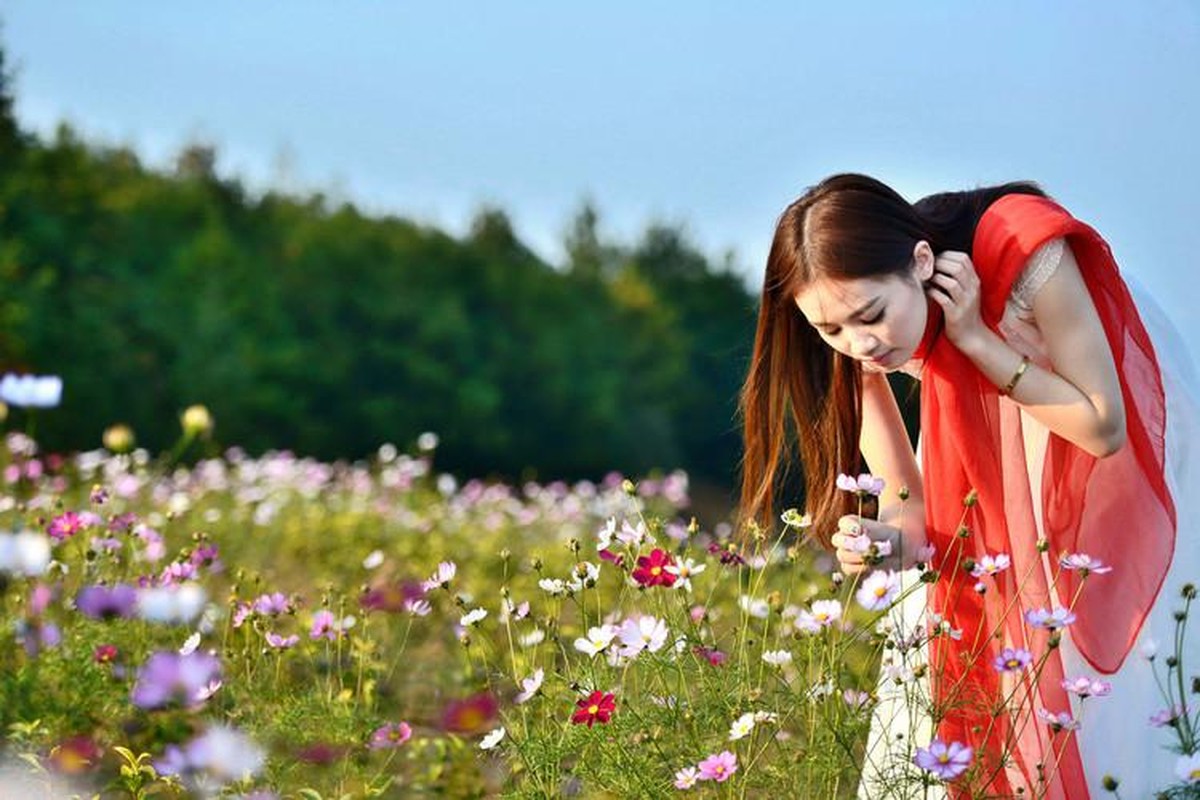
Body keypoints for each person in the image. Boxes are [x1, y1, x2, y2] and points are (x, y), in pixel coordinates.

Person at [738, 173, 1198, 798]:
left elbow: (1103, 426)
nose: (860, 345)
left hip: (1105, 420)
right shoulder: (848, 329)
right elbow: (912, 508)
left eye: (870, 316)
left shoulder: (1026, 246)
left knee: (1105, 669)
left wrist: (976, 340)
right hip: (980, 423)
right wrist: (884, 541)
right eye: (832, 331)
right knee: (962, 654)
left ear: (921, 262)